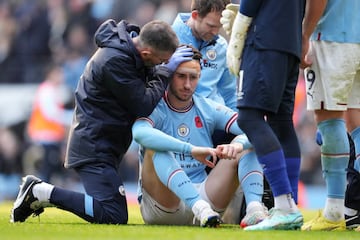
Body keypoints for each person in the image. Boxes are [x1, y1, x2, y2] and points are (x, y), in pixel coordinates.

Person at [10, 19, 194, 224]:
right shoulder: (113, 61)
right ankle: (39, 191)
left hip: (103, 144)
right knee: (113, 215)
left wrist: (163, 67)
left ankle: (39, 192)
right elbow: (143, 103)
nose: (161, 66)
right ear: (146, 54)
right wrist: (165, 71)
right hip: (94, 147)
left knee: (113, 212)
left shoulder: (127, 54)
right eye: (160, 61)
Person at [132, 45, 266, 228]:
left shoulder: (207, 108)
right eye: (181, 76)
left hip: (208, 201)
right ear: (170, 74)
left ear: (199, 78)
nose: (187, 85)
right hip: (165, 206)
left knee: (247, 146)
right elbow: (139, 133)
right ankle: (198, 206)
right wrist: (191, 150)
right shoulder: (154, 105)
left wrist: (239, 145)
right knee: (155, 148)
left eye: (193, 78)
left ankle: (254, 210)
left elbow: (258, 128)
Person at [222, 0, 305, 230]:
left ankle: (284, 206)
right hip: (291, 42)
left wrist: (239, 32)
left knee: (249, 117)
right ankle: (290, 207)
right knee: (281, 122)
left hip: (265, 41)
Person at [300, 0, 360, 231]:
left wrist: (305, 34)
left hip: (332, 37)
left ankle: (334, 211)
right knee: (356, 125)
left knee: (329, 121)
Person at [26, 63, 73, 183]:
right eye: (58, 73)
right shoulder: (46, 91)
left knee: (52, 170)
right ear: (50, 74)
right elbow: (52, 114)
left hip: (52, 138)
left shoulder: (53, 91)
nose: (61, 76)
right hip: (44, 137)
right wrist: (71, 117)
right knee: (46, 170)